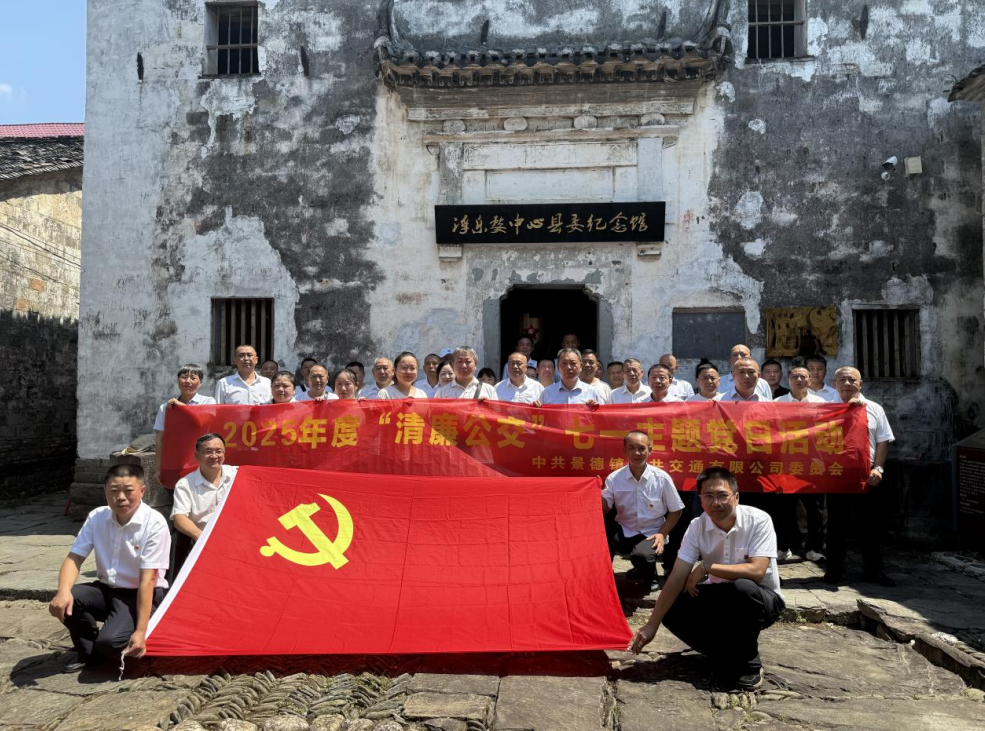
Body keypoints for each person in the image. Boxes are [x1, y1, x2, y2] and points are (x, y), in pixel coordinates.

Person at [630, 468, 785, 692]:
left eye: (722, 495)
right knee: (672, 606)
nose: (716, 503)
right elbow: (677, 577)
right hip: (719, 596)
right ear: (700, 499)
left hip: (761, 599)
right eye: (708, 496)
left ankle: (749, 663)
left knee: (742, 588)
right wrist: (652, 624)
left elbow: (757, 571)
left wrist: (707, 567)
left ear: (736, 497)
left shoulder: (759, 520)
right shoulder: (697, 526)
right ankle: (725, 653)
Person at [49, 464, 170, 670]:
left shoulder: (154, 523)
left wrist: (141, 631)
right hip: (107, 590)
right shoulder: (97, 516)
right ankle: (89, 653)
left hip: (139, 595)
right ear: (105, 491)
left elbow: (147, 580)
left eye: (128, 490)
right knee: (69, 598)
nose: (120, 497)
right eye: (114, 490)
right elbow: (74, 558)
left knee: (110, 642)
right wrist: (62, 591)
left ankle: (117, 639)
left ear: (142, 491)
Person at [824, 366, 895, 586]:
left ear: (860, 384)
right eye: (842, 380)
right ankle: (834, 571)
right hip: (836, 473)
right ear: (834, 384)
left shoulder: (874, 408)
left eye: (852, 380)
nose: (847, 383)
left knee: (870, 525)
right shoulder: (825, 408)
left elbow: (883, 440)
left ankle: (873, 570)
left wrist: (878, 468)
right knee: (836, 525)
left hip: (867, 473)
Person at [602, 431, 684, 585]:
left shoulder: (661, 478)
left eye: (641, 448)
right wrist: (594, 493)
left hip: (652, 532)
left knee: (642, 556)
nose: (636, 453)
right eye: (631, 448)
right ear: (624, 451)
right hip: (625, 531)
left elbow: (676, 510)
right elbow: (605, 508)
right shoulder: (614, 478)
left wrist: (662, 534)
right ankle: (604, 577)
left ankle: (650, 576)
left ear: (650, 450)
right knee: (600, 540)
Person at [775, 359, 826, 562]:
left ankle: (814, 548)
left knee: (814, 509)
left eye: (803, 376)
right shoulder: (777, 403)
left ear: (810, 379)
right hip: (785, 463)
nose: (799, 380)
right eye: (795, 376)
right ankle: (783, 546)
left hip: (812, 463)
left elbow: (826, 433)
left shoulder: (821, 403)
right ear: (788, 380)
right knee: (785, 508)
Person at [153, 364, 216, 481]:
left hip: (200, 461)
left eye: (193, 378)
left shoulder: (208, 401)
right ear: (178, 380)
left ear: (200, 383)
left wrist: (181, 407)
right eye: (184, 377)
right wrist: (158, 468)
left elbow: (201, 423)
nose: (188, 381)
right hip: (174, 461)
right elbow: (160, 439)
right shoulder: (166, 408)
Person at [172, 433, 238, 542]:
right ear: (196, 455)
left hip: (235, 535)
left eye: (219, 451)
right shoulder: (185, 484)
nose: (214, 456)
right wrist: (202, 538)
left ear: (224, 454)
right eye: (208, 451)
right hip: (202, 537)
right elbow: (179, 518)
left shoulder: (237, 474)